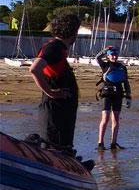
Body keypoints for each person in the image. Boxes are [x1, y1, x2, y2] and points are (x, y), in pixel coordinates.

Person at [28, 12, 82, 151]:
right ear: (72, 32)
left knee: (62, 146)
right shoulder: (54, 48)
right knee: (54, 147)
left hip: (61, 114)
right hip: (55, 114)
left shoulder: (57, 48)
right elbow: (34, 69)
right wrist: (51, 92)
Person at [95, 47, 131, 151]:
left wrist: (128, 97)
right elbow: (97, 58)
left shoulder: (122, 67)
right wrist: (105, 50)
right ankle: (100, 143)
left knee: (115, 119)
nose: (114, 56)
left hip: (118, 94)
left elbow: (126, 83)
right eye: (112, 55)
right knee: (105, 118)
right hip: (107, 94)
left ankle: (113, 143)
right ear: (108, 56)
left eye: (116, 55)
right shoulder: (105, 65)